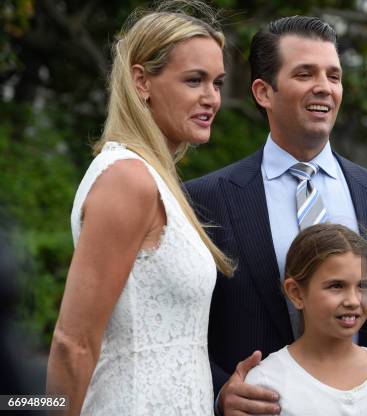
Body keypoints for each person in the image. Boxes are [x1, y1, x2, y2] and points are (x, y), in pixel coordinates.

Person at [185, 15, 367, 416]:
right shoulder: (204, 201)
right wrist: (220, 393)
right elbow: (183, 330)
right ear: (263, 92)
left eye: (333, 75)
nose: (325, 87)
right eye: (305, 73)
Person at [46, 2, 233, 414]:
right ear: (141, 81)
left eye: (217, 83)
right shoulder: (127, 179)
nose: (212, 98)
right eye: (194, 80)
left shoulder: (153, 179)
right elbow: (71, 342)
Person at [245, 224, 367, 415]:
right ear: (296, 293)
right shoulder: (266, 384)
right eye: (336, 286)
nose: (353, 301)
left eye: (363, 286)